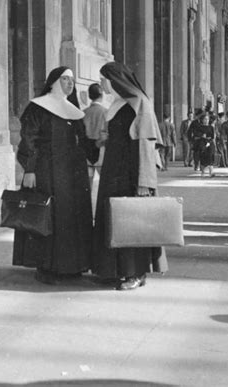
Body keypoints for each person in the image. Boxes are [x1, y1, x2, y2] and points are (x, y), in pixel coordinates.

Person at [13, 66, 93, 284]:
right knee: (48, 216)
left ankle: (71, 265)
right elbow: (29, 140)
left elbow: (83, 140)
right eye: (65, 79)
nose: (70, 84)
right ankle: (46, 267)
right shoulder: (38, 107)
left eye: (72, 81)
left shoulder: (73, 110)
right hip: (46, 170)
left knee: (71, 217)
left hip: (73, 173)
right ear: (54, 81)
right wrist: (29, 170)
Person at [92, 62, 168, 291]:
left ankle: (135, 273)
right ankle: (113, 270)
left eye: (104, 79)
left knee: (133, 224)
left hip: (132, 175)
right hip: (112, 173)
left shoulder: (140, 104)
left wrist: (144, 182)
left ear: (116, 80)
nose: (101, 83)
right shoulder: (116, 104)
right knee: (113, 222)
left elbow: (145, 146)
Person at [83, 83, 108, 188]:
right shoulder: (106, 112)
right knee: (105, 185)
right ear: (102, 96)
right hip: (101, 151)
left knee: (88, 186)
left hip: (86, 151)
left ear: (89, 96)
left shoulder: (83, 113)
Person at [195, 113, 216, 177]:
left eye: (207, 119)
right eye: (205, 119)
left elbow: (212, 136)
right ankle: (203, 171)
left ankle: (211, 171)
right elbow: (196, 135)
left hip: (210, 143)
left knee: (211, 156)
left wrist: (210, 141)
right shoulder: (199, 127)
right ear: (202, 120)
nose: (206, 120)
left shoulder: (211, 127)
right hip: (202, 143)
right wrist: (202, 136)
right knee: (203, 157)